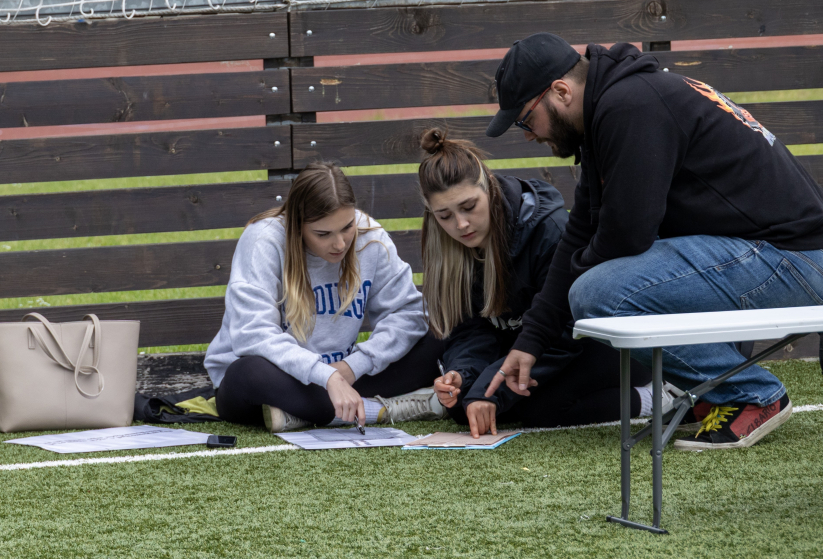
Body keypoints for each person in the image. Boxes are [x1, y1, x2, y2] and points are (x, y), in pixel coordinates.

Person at [483, 32, 823, 450]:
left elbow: (627, 235)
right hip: (770, 252)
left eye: (525, 119)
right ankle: (712, 391)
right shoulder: (617, 103)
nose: (527, 135)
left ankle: (751, 394)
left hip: (794, 259)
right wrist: (531, 339)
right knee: (598, 283)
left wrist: (579, 277)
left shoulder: (630, 106)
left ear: (561, 92)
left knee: (598, 292)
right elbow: (582, 231)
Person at [419, 128, 667, 438]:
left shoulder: (548, 231)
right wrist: (462, 374)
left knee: (540, 409)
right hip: (531, 345)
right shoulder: (448, 249)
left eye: (469, 207)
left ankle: (657, 398)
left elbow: (562, 329)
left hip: (594, 341)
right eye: (444, 216)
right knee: (463, 404)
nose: (461, 224)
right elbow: (471, 329)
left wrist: (491, 391)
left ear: (490, 189)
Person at [206, 162, 447, 432]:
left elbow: (408, 313)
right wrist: (326, 376)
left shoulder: (370, 236)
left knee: (440, 335)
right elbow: (253, 335)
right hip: (279, 378)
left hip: (344, 376)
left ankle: (303, 413)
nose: (340, 244)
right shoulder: (264, 241)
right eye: (323, 234)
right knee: (248, 372)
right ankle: (378, 409)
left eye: (347, 227)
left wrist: (350, 368)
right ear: (297, 226)